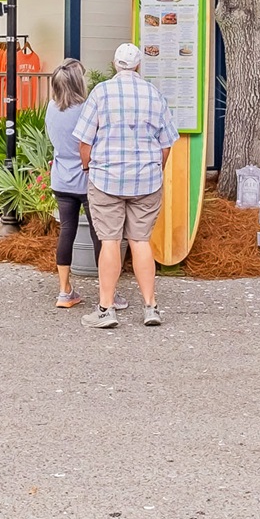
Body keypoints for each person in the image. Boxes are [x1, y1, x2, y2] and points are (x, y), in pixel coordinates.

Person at [76, 42, 178, 329]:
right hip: (146, 180)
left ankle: (106, 309)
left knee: (110, 241)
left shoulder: (101, 92)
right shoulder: (154, 94)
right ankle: (150, 306)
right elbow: (167, 143)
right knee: (140, 241)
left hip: (106, 178)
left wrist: (88, 166)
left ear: (114, 63)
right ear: (138, 65)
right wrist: (157, 170)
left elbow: (84, 140)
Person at [44, 59, 92, 309]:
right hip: (86, 178)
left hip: (61, 178)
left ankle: (64, 291)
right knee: (100, 236)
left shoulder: (51, 108)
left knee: (67, 231)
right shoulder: (86, 109)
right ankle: (110, 294)